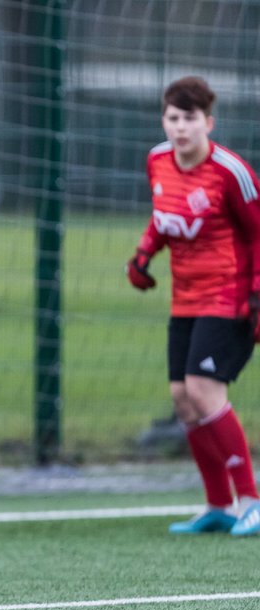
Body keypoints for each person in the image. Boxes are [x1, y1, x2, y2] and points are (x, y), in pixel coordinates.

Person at [126, 76, 260, 535]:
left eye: (189, 119)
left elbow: (258, 232)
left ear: (209, 122)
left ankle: (252, 500)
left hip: (230, 295)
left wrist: (258, 293)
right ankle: (219, 504)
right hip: (185, 296)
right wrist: (144, 254)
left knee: (203, 390)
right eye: (172, 118)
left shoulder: (232, 173)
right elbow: (164, 217)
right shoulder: (157, 161)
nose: (180, 127)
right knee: (183, 401)